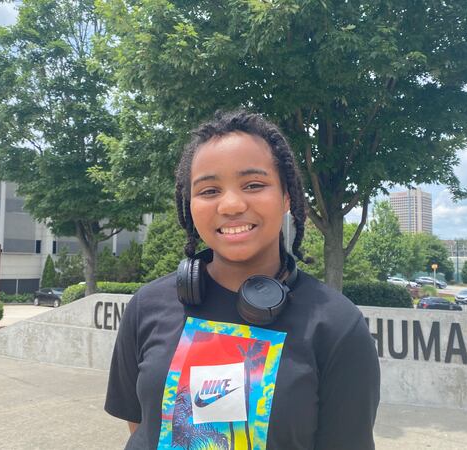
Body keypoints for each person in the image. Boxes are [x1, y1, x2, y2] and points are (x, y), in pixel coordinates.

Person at [105, 110, 380, 449]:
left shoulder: (337, 325)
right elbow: (142, 427)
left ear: (287, 197)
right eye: (209, 190)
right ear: (189, 203)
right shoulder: (147, 306)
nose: (231, 205)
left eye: (253, 185)